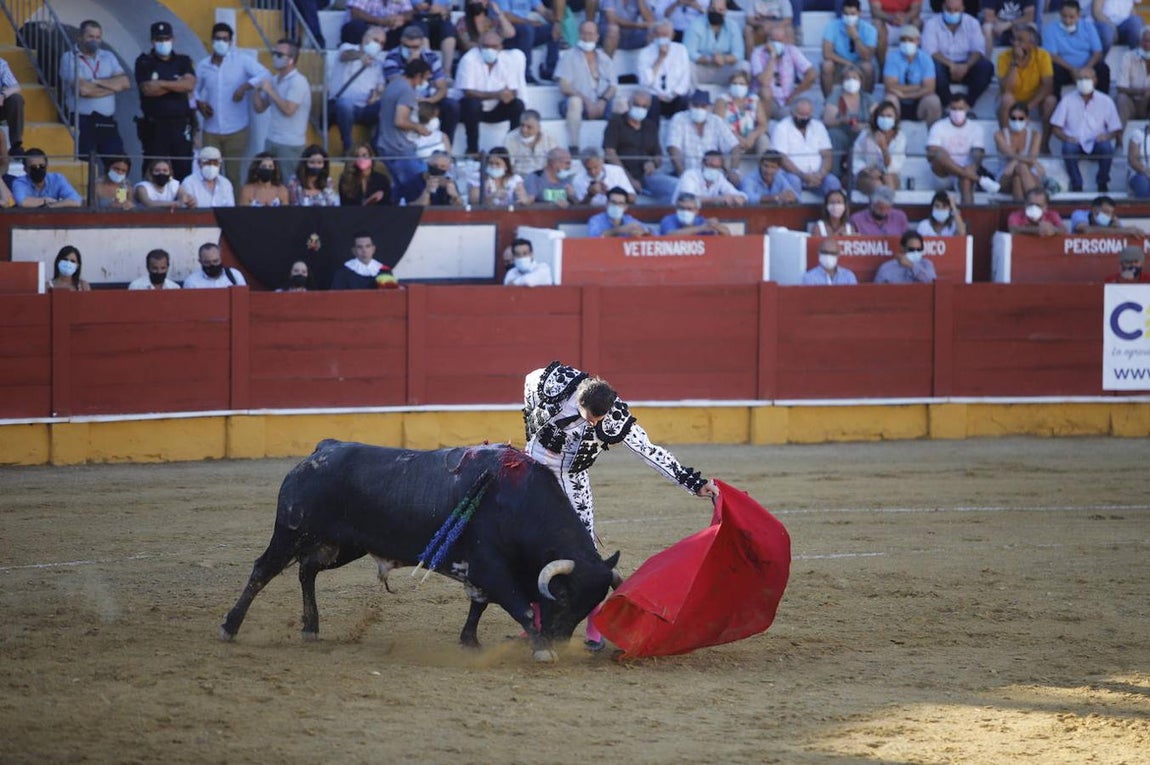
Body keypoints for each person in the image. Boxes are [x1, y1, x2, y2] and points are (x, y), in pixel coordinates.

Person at [521, 360, 718, 649]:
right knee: (527, 542)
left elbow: (649, 452)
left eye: (599, 420)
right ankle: (534, 622)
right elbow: (530, 381)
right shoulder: (555, 384)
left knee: (585, 552)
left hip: (571, 477)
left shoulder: (613, 416)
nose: (595, 424)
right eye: (591, 418)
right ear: (580, 400)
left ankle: (594, 627)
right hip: (534, 466)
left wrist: (692, 482)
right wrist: (531, 426)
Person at [195, 22, 269, 188]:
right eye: (218, 38)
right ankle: (209, 209)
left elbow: (265, 74)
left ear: (230, 41)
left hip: (236, 129)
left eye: (225, 39)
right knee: (207, 174)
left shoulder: (241, 61)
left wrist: (245, 86)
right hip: (211, 129)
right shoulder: (203, 65)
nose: (221, 42)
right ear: (212, 40)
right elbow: (193, 90)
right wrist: (199, 103)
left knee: (233, 176)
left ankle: (232, 210)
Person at [382, 25, 460, 154]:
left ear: (422, 44)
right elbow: (399, 86)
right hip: (404, 100)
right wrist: (412, 66)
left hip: (428, 99)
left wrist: (429, 100)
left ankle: (445, 148)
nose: (411, 50)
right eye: (407, 47)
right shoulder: (392, 58)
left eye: (415, 47)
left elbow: (441, 87)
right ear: (401, 42)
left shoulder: (431, 57)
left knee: (451, 106)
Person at [134, 21, 196, 180]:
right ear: (152, 41)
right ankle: (149, 202)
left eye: (166, 38)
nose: (163, 42)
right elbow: (148, 89)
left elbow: (189, 85)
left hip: (180, 124)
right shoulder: (144, 61)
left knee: (183, 168)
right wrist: (177, 84)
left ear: (173, 39)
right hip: (155, 126)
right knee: (154, 168)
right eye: (159, 39)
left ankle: (181, 202)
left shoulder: (183, 61)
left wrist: (161, 83)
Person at [60, 19, 130, 161]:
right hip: (82, 120)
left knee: (117, 162)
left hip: (107, 120)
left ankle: (119, 185)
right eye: (90, 36)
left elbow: (125, 83)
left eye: (98, 37)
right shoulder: (69, 57)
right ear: (80, 37)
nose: (95, 40)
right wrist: (112, 87)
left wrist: (96, 82)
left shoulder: (108, 56)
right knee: (85, 164)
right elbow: (84, 90)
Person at [1050, 66, 1122, 193]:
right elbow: (1056, 127)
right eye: (1080, 78)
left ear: (1095, 80)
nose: (1083, 81)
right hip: (1075, 142)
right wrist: (1066, 137)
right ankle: (1077, 184)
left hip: (1097, 142)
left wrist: (1107, 136)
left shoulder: (1106, 101)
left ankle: (1102, 182)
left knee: (1106, 147)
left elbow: (1115, 128)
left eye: (1087, 78)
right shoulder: (1067, 100)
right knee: (1068, 148)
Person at [456, 31, 527, 156]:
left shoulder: (507, 61)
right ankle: (472, 149)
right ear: (479, 46)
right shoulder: (469, 59)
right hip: (472, 111)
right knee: (471, 104)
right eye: (486, 46)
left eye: (494, 46)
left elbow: (514, 88)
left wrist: (509, 95)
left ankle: (511, 149)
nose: (489, 49)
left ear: (501, 47)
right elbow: (467, 92)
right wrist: (497, 94)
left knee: (517, 105)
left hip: (496, 108)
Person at [378, 59, 435, 202]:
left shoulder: (393, 85)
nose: (424, 83)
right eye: (424, 78)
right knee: (416, 190)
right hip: (399, 149)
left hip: (387, 144)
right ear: (417, 75)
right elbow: (400, 121)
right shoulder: (406, 91)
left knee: (399, 190)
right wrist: (418, 127)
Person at [556, 21, 617, 151]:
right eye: (584, 33)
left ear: (597, 36)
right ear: (579, 35)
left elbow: (613, 86)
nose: (587, 37)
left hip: (601, 103)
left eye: (590, 34)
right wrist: (587, 101)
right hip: (579, 105)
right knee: (574, 102)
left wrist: (603, 101)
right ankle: (574, 146)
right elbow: (564, 86)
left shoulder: (604, 58)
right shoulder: (568, 56)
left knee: (622, 104)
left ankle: (613, 148)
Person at [328, 26, 387, 158]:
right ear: (364, 38)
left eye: (382, 43)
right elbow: (345, 56)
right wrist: (361, 56)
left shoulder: (378, 63)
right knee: (345, 104)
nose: (378, 45)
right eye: (375, 40)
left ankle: (375, 146)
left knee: (388, 104)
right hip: (344, 107)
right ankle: (348, 148)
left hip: (366, 107)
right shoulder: (347, 47)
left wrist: (376, 95)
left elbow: (380, 86)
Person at [922, 0, 993, 111]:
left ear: (963, 9)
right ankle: (950, 105)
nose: (952, 13)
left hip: (966, 65)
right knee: (932, 66)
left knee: (986, 67)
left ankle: (967, 104)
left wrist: (967, 65)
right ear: (943, 7)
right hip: (944, 65)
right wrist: (951, 65)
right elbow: (930, 51)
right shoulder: (931, 24)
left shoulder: (972, 23)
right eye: (948, 9)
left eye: (956, 10)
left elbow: (978, 50)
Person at [926, 94, 996, 205]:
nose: (957, 112)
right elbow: (931, 153)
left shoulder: (976, 128)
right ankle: (978, 179)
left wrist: (973, 167)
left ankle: (968, 217)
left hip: (966, 171)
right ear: (949, 108)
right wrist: (965, 172)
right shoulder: (938, 126)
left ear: (967, 108)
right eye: (953, 109)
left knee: (966, 179)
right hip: (943, 174)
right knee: (939, 153)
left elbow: (978, 151)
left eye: (960, 109)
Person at [603, 90, 673, 200]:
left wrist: (653, 163)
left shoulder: (651, 126)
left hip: (646, 176)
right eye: (637, 105)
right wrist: (629, 179)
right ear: (629, 104)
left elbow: (658, 155)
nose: (640, 109)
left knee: (675, 187)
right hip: (620, 176)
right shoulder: (616, 123)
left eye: (644, 106)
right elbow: (610, 153)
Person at [995, 24, 1055, 150]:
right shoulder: (1004, 57)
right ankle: (1007, 143)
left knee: (1051, 101)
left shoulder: (1043, 56)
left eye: (1020, 40)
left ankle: (1044, 144)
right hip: (1013, 99)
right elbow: (1006, 89)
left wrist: (1028, 107)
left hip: (1034, 100)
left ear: (1032, 44)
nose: (1015, 43)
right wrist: (1015, 63)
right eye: (1014, 39)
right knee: (1006, 99)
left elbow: (1047, 86)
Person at [253, 39, 311, 168]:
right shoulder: (274, 80)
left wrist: (270, 91)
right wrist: (256, 90)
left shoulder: (298, 81)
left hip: (290, 144)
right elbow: (260, 108)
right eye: (274, 53)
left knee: (287, 183)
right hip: (271, 140)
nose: (275, 57)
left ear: (291, 60)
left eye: (279, 55)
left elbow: (289, 110)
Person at [770, 97, 842, 197]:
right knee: (794, 182)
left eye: (807, 115)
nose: (804, 118)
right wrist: (803, 176)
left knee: (833, 182)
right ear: (792, 113)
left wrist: (821, 174)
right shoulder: (782, 127)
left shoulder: (818, 126)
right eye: (801, 115)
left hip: (818, 176)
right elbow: (781, 158)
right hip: (793, 175)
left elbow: (827, 154)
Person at [666, 89, 739, 180]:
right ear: (689, 105)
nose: (699, 109)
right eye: (695, 105)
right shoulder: (679, 119)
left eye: (703, 106)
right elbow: (673, 148)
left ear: (709, 107)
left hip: (713, 176)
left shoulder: (716, 121)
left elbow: (734, 146)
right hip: (687, 174)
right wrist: (683, 175)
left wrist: (734, 171)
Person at [1043, 1, 1109, 96]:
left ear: (1078, 15)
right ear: (1060, 14)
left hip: (1087, 67)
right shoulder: (1051, 29)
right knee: (1053, 70)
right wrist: (1072, 70)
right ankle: (1055, 103)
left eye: (1071, 17)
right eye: (1064, 16)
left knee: (1103, 69)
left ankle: (1102, 103)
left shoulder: (1088, 27)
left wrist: (1086, 69)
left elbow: (1097, 52)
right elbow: (1052, 55)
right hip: (1065, 68)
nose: (1067, 20)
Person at [750, 25, 815, 120]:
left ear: (785, 41)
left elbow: (811, 73)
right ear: (768, 40)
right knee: (765, 92)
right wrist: (772, 56)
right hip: (768, 101)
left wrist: (794, 95)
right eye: (773, 40)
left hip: (787, 99)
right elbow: (764, 81)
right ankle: (764, 127)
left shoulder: (791, 50)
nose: (777, 44)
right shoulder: (757, 53)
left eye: (780, 41)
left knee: (803, 107)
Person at [883, 25, 943, 126]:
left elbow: (929, 88)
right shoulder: (892, 57)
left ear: (918, 41)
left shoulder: (926, 59)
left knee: (933, 101)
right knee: (890, 100)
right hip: (898, 100)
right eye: (903, 40)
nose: (906, 43)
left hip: (919, 101)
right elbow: (890, 87)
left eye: (910, 40)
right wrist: (918, 87)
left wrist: (906, 95)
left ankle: (931, 135)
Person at [715, 69, 772, 171]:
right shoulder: (722, 100)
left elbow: (763, 124)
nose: (738, 86)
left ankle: (765, 170)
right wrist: (737, 138)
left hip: (751, 141)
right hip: (731, 140)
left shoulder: (754, 100)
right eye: (735, 83)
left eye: (742, 84)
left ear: (747, 86)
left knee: (764, 139)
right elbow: (718, 125)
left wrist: (752, 136)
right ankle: (732, 173)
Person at [822, 65, 876, 172]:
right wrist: (842, 120)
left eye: (855, 78)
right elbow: (827, 120)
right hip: (842, 134)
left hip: (862, 135)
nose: (851, 81)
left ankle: (867, 173)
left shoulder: (868, 98)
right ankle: (835, 174)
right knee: (833, 134)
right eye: (847, 78)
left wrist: (864, 126)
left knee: (871, 135)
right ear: (842, 81)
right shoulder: (835, 96)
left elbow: (877, 120)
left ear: (861, 81)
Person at [820, 0, 878, 97]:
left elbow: (867, 56)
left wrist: (856, 38)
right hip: (840, 63)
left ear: (859, 13)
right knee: (827, 65)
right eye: (846, 14)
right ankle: (828, 101)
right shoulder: (832, 26)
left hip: (859, 63)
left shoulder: (870, 29)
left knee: (868, 67)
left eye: (852, 14)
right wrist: (848, 63)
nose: (849, 17)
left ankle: (867, 101)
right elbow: (827, 53)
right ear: (842, 13)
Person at [638, 21, 694, 118]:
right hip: (655, 96)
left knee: (685, 99)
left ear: (672, 36)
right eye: (658, 34)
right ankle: (653, 131)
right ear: (653, 35)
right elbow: (646, 82)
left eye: (665, 35)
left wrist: (672, 95)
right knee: (650, 100)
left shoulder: (681, 50)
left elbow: (685, 79)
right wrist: (660, 59)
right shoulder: (644, 53)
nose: (661, 38)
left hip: (675, 96)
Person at [851, 100, 906, 195]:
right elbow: (856, 158)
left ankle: (889, 208)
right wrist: (867, 171)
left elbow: (894, 166)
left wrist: (884, 147)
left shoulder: (900, 137)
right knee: (876, 184)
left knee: (888, 179)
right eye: (882, 116)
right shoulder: (866, 134)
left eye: (889, 116)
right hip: (867, 175)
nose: (885, 119)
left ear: (895, 118)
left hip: (890, 175)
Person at [683, 0, 744, 85]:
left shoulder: (733, 26)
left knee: (744, 66)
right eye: (713, 9)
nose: (716, 12)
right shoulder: (695, 24)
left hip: (723, 68)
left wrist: (724, 59)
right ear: (708, 9)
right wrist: (709, 59)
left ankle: (734, 96)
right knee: (687, 66)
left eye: (720, 10)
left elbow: (738, 54)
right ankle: (689, 96)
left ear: (726, 11)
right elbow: (689, 52)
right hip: (702, 68)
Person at [501, 0, 559, 84]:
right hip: (507, 32)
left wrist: (556, 21)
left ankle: (550, 70)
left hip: (526, 28)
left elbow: (543, 11)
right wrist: (529, 23)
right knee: (527, 29)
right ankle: (525, 73)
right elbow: (506, 16)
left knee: (552, 29)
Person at [995, 103, 1044, 201]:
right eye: (1013, 118)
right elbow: (1010, 155)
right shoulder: (999, 135)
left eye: (1021, 118)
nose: (1017, 121)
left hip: (1029, 172)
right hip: (1005, 174)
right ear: (1009, 119)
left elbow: (1031, 158)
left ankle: (1020, 211)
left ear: (1027, 119)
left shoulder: (1035, 135)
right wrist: (1028, 160)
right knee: (1021, 167)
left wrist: (1016, 161)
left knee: (1018, 178)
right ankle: (1035, 203)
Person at [672, 149, 748, 206]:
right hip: (679, 213)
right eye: (711, 166)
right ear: (703, 164)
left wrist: (740, 198)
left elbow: (739, 194)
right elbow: (688, 199)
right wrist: (718, 199)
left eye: (717, 167)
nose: (714, 170)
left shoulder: (719, 177)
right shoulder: (690, 175)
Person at [13, 149, 82, 208]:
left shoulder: (57, 179)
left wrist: (53, 206)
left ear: (47, 165)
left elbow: (76, 200)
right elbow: (22, 202)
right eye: (33, 167)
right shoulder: (19, 182)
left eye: (42, 166)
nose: (38, 169)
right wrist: (46, 201)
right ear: (25, 169)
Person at [331, 231, 396, 290]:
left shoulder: (384, 271)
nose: (364, 250)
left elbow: (390, 297)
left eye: (368, 246)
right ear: (353, 251)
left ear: (373, 249)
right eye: (359, 247)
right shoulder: (343, 272)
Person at [505, 109, 561, 175]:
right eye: (522, 125)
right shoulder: (510, 138)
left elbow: (555, 161)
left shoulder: (549, 137)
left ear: (538, 127)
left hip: (543, 177)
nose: (524, 130)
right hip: (520, 178)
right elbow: (508, 166)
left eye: (529, 127)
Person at [342, 0, 414, 49]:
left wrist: (400, 18)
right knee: (356, 25)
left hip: (388, 34)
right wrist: (380, 21)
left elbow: (409, 13)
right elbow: (355, 13)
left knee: (408, 27)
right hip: (365, 33)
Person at [869, 0, 923, 65]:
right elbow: (875, 11)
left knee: (917, 22)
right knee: (877, 23)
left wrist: (905, 18)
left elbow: (916, 9)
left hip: (906, 22)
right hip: (886, 21)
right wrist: (891, 18)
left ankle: (911, 65)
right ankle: (883, 66)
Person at [1116, 27, 1150, 127]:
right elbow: (1120, 87)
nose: (1148, 45)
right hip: (1131, 103)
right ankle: (1119, 139)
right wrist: (1142, 91)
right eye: (1145, 40)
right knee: (1121, 98)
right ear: (1140, 42)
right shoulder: (1128, 57)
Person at [659, 191, 733, 234]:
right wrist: (701, 228)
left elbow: (727, 234)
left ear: (697, 210)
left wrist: (716, 226)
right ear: (676, 209)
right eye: (681, 208)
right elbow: (670, 236)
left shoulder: (701, 221)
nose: (685, 211)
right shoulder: (668, 220)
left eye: (689, 209)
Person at [586, 187, 650, 236]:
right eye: (613, 202)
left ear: (625, 207)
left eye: (620, 203)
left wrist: (644, 231)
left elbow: (655, 233)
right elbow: (594, 237)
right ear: (607, 204)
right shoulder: (596, 220)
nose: (616, 206)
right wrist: (620, 230)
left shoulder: (629, 220)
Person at [1069, 195, 1146, 236]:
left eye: (1110, 213)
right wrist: (1123, 230)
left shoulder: (1113, 220)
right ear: (1094, 209)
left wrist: (1119, 227)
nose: (1109, 216)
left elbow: (1122, 232)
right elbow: (1085, 230)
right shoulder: (1079, 214)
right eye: (1105, 212)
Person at [181, 243, 247, 289]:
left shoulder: (234, 275)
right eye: (207, 262)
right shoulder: (192, 282)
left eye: (215, 261)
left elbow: (243, 298)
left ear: (221, 258)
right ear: (200, 261)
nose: (212, 265)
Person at [1127, 119, 1150, 198]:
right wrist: (1146, 171)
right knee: (1143, 183)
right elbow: (1133, 160)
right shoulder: (1138, 134)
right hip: (1139, 173)